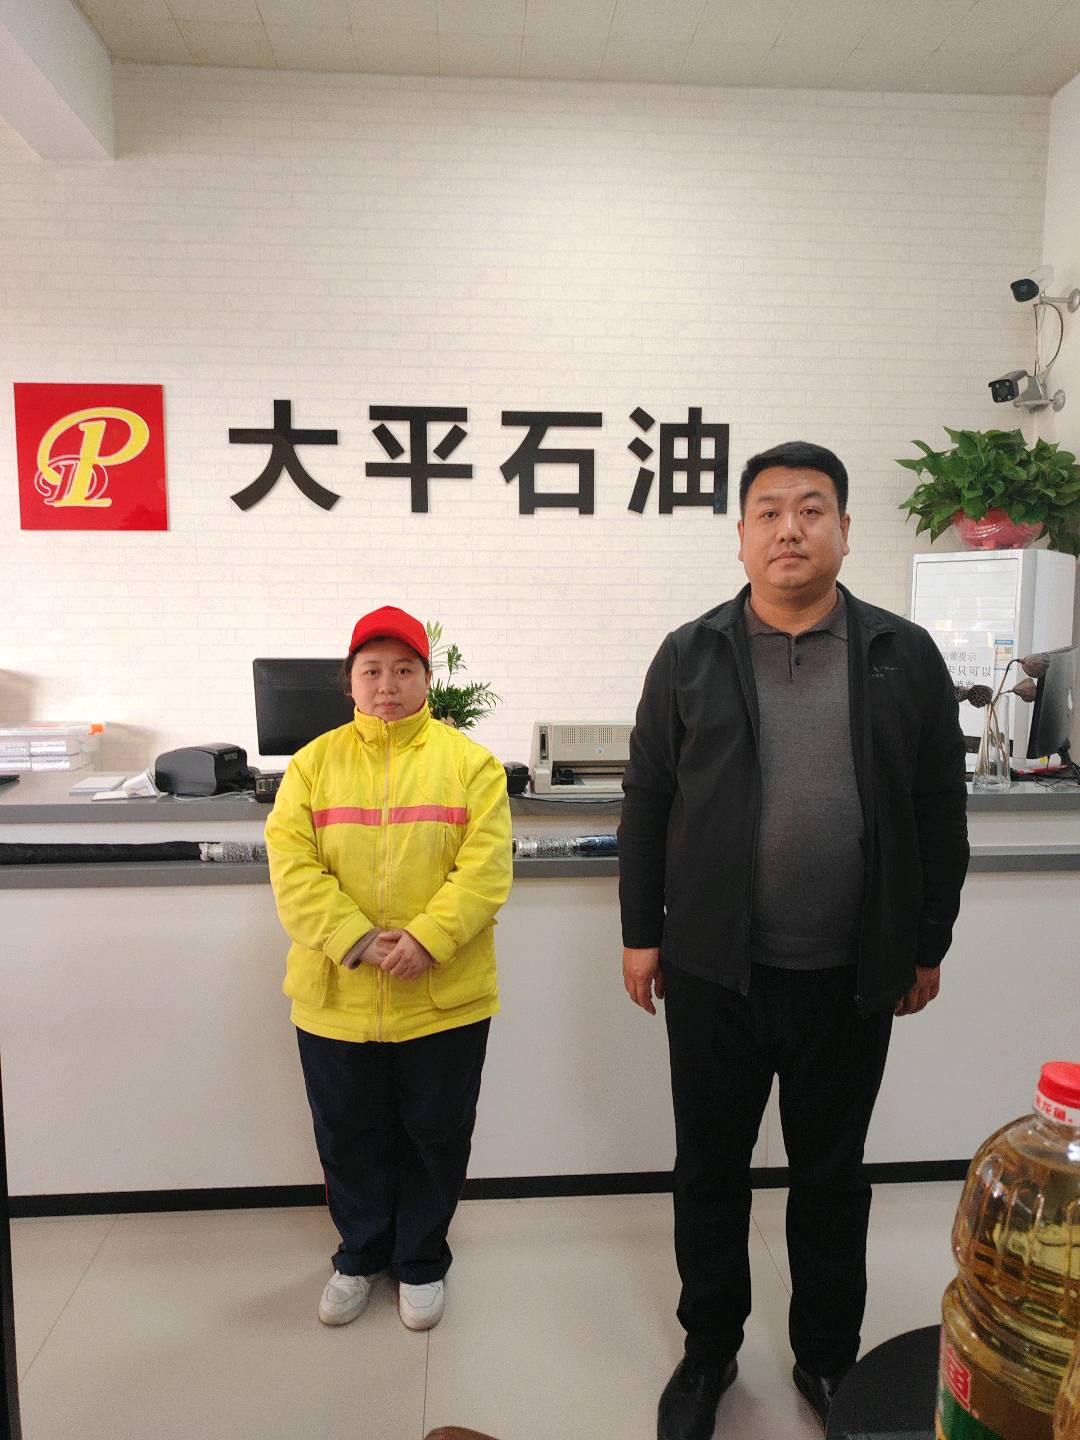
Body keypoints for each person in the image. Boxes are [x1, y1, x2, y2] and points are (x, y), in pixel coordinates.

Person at [618, 442, 969, 1439]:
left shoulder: (902, 653)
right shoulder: (689, 654)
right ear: (740, 536)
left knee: (832, 1178)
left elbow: (939, 807)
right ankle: (709, 1352)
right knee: (709, 1173)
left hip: (851, 975)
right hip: (713, 971)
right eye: (768, 512)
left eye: (812, 510)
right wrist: (642, 932)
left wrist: (927, 941)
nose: (789, 529)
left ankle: (826, 1356)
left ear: (845, 531)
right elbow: (648, 800)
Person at [265, 606, 512, 1333]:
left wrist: (428, 939)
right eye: (371, 671)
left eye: (404, 670)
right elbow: (292, 868)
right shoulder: (313, 766)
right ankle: (360, 1255)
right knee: (348, 1136)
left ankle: (422, 1259)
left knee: (436, 1135)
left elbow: (486, 869)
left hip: (443, 995)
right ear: (349, 683)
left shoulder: (470, 765)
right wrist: (357, 939)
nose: (387, 685)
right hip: (337, 995)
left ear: (426, 680)